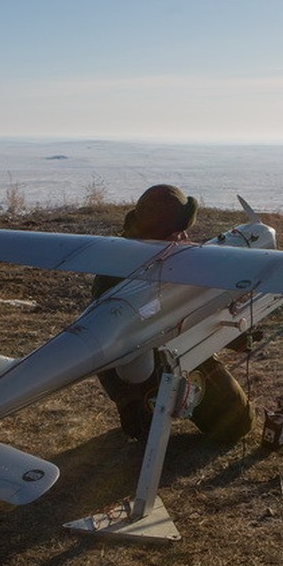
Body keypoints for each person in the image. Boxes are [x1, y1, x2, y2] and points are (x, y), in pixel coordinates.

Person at [91, 185, 253, 444]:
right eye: (178, 233)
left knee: (237, 423)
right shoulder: (115, 275)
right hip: (142, 367)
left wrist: (235, 336)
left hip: (187, 352)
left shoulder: (178, 258)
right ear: (158, 236)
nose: (186, 237)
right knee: (148, 435)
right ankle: (143, 411)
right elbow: (105, 345)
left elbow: (201, 310)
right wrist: (127, 398)